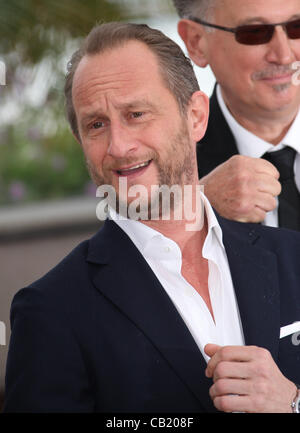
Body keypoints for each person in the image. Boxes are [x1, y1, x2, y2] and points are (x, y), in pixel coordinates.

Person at [3, 22, 300, 413]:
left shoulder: (293, 257)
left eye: (136, 114)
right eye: (96, 125)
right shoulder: (51, 310)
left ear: (195, 116)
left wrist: (292, 402)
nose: (119, 146)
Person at [173, 0, 300, 230]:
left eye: (297, 27)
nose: (284, 56)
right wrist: (196, 206)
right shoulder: (164, 161)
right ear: (196, 42)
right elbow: (118, 250)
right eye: (255, 32)